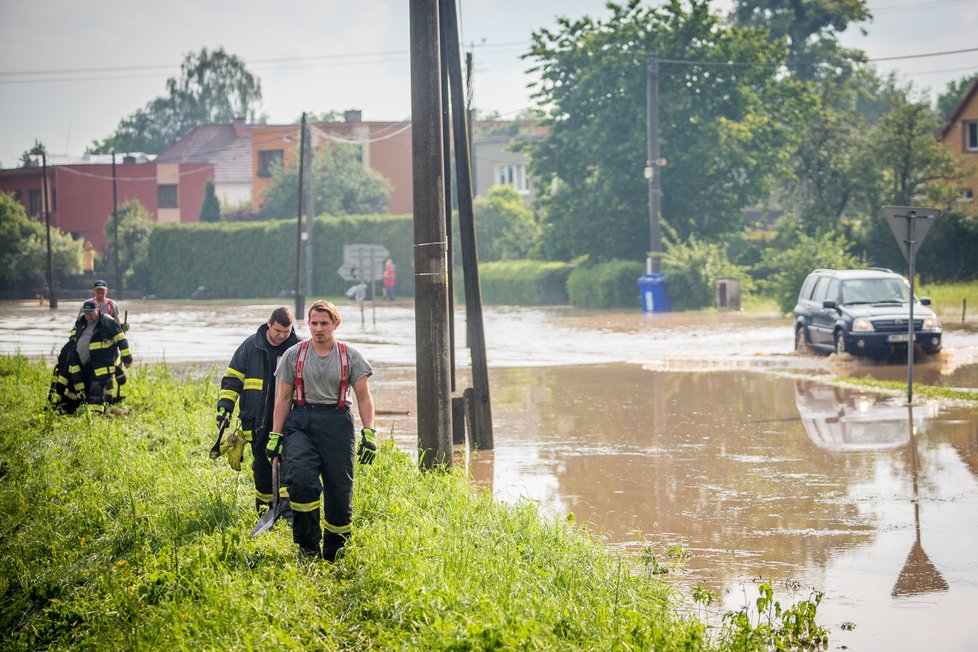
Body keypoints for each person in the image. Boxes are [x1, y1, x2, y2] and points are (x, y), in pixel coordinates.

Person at [269, 299, 376, 560]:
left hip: (337, 424)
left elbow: (363, 397)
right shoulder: (294, 355)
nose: (318, 329)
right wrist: (275, 435)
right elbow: (283, 398)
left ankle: (335, 552)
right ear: (308, 324)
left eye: (324, 323)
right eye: (314, 323)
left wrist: (369, 433)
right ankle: (307, 547)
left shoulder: (350, 356)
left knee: (339, 490)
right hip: (301, 422)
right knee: (301, 481)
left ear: (335, 324)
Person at [215, 306, 299, 515]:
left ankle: (287, 516)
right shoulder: (250, 346)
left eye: (286, 333)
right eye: (277, 331)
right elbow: (233, 380)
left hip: (289, 423)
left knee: (288, 469)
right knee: (262, 470)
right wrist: (225, 409)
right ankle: (264, 514)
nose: (281, 336)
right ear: (268, 324)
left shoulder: (298, 348)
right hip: (257, 423)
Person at [50, 300, 133, 415]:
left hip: (101, 364)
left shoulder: (107, 322)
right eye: (86, 313)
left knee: (96, 390)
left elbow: (121, 340)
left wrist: (127, 359)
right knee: (74, 388)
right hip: (80, 363)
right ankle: (66, 410)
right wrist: (73, 340)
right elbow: (74, 332)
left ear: (97, 310)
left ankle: (96, 417)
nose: (89, 316)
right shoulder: (81, 320)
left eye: (91, 313)